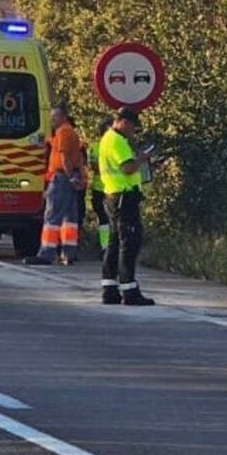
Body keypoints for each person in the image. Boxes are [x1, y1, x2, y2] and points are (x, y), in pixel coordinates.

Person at [99, 106, 154, 306]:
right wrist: (142, 159)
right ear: (124, 122)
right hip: (124, 198)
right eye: (132, 126)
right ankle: (129, 290)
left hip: (113, 196)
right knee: (129, 243)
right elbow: (128, 168)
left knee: (115, 243)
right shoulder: (118, 141)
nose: (133, 131)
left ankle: (110, 288)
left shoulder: (107, 138)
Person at [25, 104, 83, 266]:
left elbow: (64, 157)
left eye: (55, 116)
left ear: (64, 117)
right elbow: (57, 145)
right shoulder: (68, 132)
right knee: (70, 219)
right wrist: (45, 141)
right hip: (69, 177)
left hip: (62, 178)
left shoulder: (64, 132)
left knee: (52, 216)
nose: (52, 119)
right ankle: (69, 254)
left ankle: (46, 254)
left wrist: (70, 176)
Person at [87, 117, 113, 257]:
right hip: (101, 188)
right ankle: (105, 247)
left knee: (110, 220)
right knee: (104, 219)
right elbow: (95, 167)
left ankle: (110, 247)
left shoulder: (115, 145)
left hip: (112, 188)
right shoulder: (97, 146)